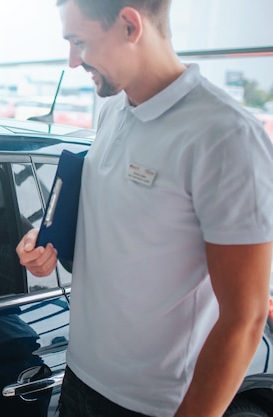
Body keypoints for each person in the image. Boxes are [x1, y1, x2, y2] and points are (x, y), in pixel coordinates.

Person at [16, 1, 273, 416]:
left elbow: (244, 319)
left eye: (80, 42)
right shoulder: (112, 110)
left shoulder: (226, 138)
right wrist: (45, 245)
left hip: (154, 404)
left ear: (130, 25)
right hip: (80, 375)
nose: (73, 60)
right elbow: (113, 225)